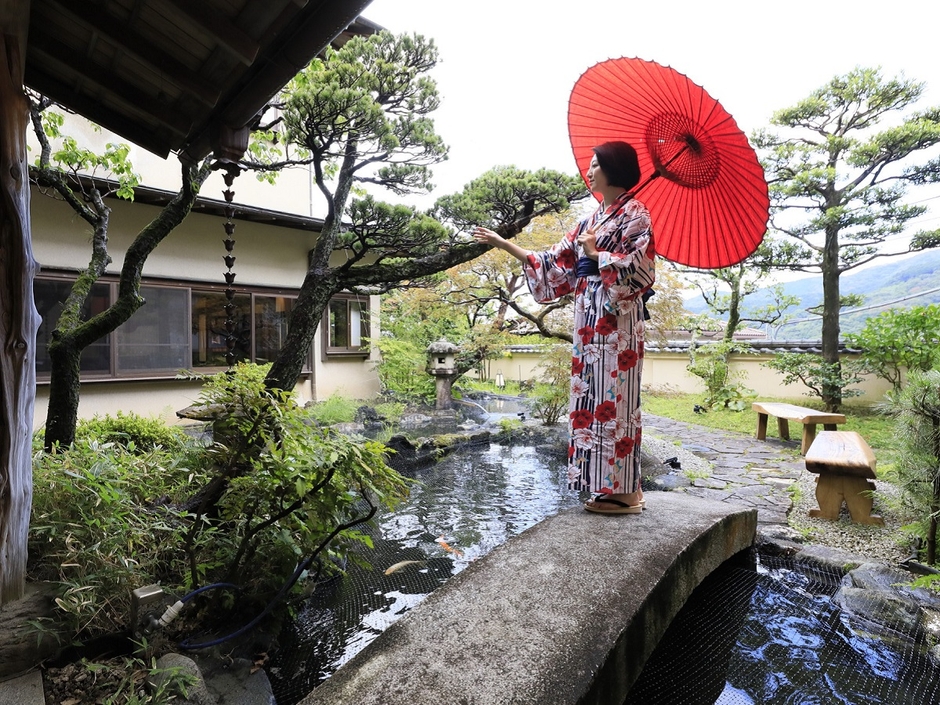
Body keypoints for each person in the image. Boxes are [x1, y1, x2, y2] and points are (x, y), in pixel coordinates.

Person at [472, 141, 655, 515]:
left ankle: (625, 492)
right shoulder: (591, 220)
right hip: (588, 317)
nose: (588, 172)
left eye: (594, 165)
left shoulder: (636, 214)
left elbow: (643, 268)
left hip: (617, 317)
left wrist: (596, 255)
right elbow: (554, 261)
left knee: (616, 400)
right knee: (590, 397)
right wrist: (503, 244)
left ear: (612, 170)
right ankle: (613, 487)